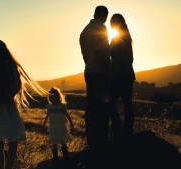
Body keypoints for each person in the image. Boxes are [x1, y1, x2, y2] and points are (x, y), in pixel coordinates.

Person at [0, 39, 47, 169]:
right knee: (13, 142)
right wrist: (9, 95)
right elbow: (17, 86)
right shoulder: (12, 66)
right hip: (10, 107)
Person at [79, 5, 111, 152]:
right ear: (103, 15)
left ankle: (92, 141)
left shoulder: (84, 31)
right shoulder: (100, 28)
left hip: (89, 72)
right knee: (103, 109)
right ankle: (102, 142)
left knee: (91, 108)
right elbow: (100, 52)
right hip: (100, 73)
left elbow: (85, 56)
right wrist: (108, 70)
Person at [109, 13, 136, 139]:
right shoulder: (126, 37)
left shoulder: (118, 38)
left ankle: (119, 132)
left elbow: (125, 59)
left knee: (110, 104)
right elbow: (130, 59)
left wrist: (114, 72)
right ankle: (126, 131)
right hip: (127, 75)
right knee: (127, 104)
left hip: (120, 76)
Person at [43, 87, 74, 160]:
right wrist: (44, 124)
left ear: (57, 97)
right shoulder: (49, 107)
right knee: (54, 140)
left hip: (61, 125)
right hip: (53, 125)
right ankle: (55, 156)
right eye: (49, 97)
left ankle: (65, 153)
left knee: (62, 139)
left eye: (52, 97)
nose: (51, 99)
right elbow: (47, 116)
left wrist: (71, 122)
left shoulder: (62, 106)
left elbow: (67, 114)